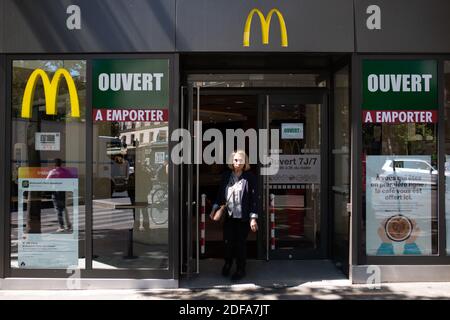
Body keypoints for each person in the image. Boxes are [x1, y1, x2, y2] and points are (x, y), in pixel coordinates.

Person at [210, 150, 258, 281]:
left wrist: (253, 218)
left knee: (240, 244)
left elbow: (254, 199)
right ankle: (228, 263)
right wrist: (214, 209)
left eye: (241, 160)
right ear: (232, 161)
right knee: (228, 242)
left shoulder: (249, 177)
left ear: (245, 162)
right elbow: (220, 194)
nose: (238, 163)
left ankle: (240, 269)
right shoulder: (226, 176)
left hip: (243, 218)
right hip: (229, 217)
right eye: (236, 160)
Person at [46, 158, 72, 232]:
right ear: (61, 164)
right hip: (64, 191)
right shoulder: (66, 172)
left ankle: (61, 226)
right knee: (64, 208)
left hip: (56, 192)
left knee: (58, 209)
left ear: (54, 164)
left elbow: (46, 181)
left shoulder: (52, 172)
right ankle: (68, 225)